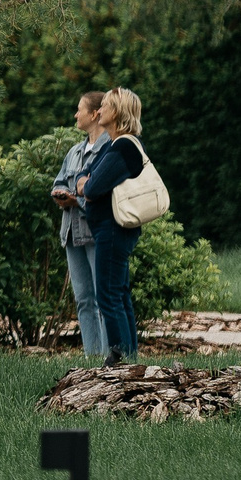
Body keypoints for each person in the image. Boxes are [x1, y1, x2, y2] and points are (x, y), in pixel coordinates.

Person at [75, 87, 149, 363]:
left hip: (113, 228)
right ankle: (128, 356)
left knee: (107, 293)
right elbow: (87, 175)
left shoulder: (123, 146)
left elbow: (92, 186)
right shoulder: (120, 145)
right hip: (115, 228)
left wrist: (85, 183)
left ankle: (117, 356)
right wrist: (86, 180)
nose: (100, 109)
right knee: (119, 292)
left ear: (116, 112)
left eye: (105, 105)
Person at [52, 91, 109, 360]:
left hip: (96, 233)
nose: (76, 114)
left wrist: (80, 201)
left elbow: (105, 191)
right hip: (71, 234)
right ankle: (92, 357)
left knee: (103, 299)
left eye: (80, 109)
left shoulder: (110, 148)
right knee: (84, 299)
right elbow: (59, 182)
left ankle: (111, 357)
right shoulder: (75, 151)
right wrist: (62, 195)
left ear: (95, 114)